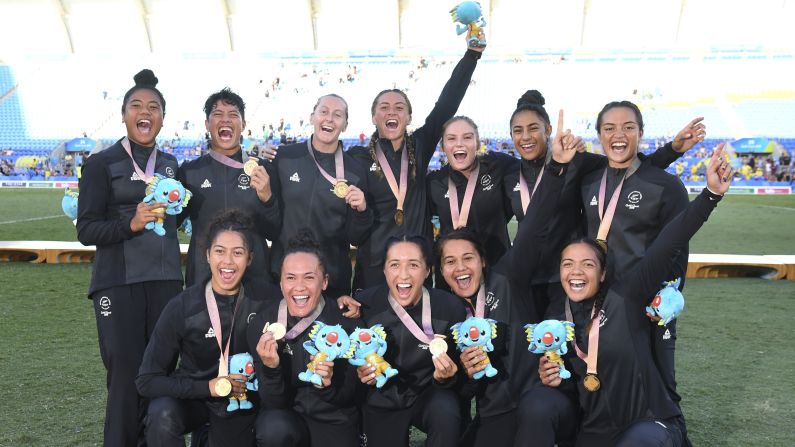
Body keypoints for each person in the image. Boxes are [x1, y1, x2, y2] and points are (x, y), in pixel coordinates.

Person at [540, 145, 733, 446]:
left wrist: (710, 195)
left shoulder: (625, 296)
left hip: (649, 423)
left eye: (587, 264)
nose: (576, 272)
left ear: (603, 274)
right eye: (568, 264)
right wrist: (552, 376)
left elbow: (669, 242)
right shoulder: (556, 318)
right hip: (595, 431)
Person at [437, 115, 578, 447]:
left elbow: (536, 220)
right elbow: (464, 388)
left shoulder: (507, 277)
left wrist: (556, 166)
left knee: (536, 414)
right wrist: (465, 375)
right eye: (450, 262)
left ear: (483, 261)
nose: (460, 269)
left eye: (468, 259)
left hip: (537, 400)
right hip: (496, 413)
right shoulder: (450, 310)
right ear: (440, 270)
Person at [504, 90, 702, 319]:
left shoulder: (576, 162)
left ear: (548, 130)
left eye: (533, 128)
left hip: (568, 278)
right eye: (518, 131)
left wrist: (671, 151)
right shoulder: (507, 172)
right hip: (524, 277)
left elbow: (625, 167)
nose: (526, 136)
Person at [76, 69, 183, 447]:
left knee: (160, 373)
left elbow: (183, 216)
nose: (145, 112)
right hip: (117, 285)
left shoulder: (171, 165)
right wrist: (130, 223)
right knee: (125, 379)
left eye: (154, 107)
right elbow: (86, 229)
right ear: (123, 115)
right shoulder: (100, 164)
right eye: (136, 105)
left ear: (162, 118)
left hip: (167, 283)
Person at [579, 101, 696, 443]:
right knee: (605, 379)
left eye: (628, 127)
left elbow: (677, 248)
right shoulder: (588, 182)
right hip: (601, 305)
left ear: (641, 133)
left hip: (647, 306)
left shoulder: (666, 186)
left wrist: (671, 293)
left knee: (661, 387)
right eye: (609, 128)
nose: (619, 135)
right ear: (599, 135)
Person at [348, 31, 485, 292]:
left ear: (409, 118)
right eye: (384, 107)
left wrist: (472, 55)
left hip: (417, 266)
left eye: (399, 107)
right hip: (375, 267)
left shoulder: (419, 146)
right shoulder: (356, 157)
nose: (391, 111)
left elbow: (446, 104)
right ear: (374, 117)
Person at [136, 210, 278, 446]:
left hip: (243, 402)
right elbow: (147, 380)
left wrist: (343, 305)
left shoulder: (268, 299)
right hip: (197, 399)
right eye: (220, 251)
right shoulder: (183, 306)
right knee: (162, 414)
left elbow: (303, 304)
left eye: (238, 253)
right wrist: (207, 387)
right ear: (207, 255)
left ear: (250, 259)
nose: (228, 262)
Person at [248, 230, 362, 446]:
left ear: (325, 282)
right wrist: (271, 368)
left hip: (335, 418)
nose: (299, 287)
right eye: (290, 278)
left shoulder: (346, 321)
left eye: (309, 277)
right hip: (287, 419)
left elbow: (350, 395)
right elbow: (272, 403)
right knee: (274, 429)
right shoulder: (261, 324)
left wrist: (328, 386)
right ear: (280, 283)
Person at [352, 235, 467, 447]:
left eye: (413, 265)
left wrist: (445, 379)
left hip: (427, 395)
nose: (403, 274)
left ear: (427, 271)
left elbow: (460, 378)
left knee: (446, 410)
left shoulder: (450, 308)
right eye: (394, 265)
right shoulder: (363, 305)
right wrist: (359, 371)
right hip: (381, 398)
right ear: (384, 270)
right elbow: (348, 356)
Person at [264, 94, 372, 300]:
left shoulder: (355, 171)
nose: (329, 119)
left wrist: (362, 211)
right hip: (284, 275)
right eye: (323, 112)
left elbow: (356, 238)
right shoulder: (284, 156)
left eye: (337, 115)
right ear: (312, 117)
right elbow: (269, 221)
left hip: (331, 280)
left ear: (345, 125)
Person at [178, 88, 280, 287]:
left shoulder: (262, 170)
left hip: (254, 282)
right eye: (217, 114)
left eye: (233, 115)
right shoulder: (190, 172)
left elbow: (274, 231)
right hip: (202, 280)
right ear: (207, 124)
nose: (225, 120)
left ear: (243, 124)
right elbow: (171, 223)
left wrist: (267, 198)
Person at [427, 116, 517, 272]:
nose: (459, 143)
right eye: (451, 138)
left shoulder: (498, 165)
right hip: (454, 276)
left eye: (467, 137)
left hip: (497, 273)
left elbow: (533, 168)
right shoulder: (434, 182)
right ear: (443, 146)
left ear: (477, 143)